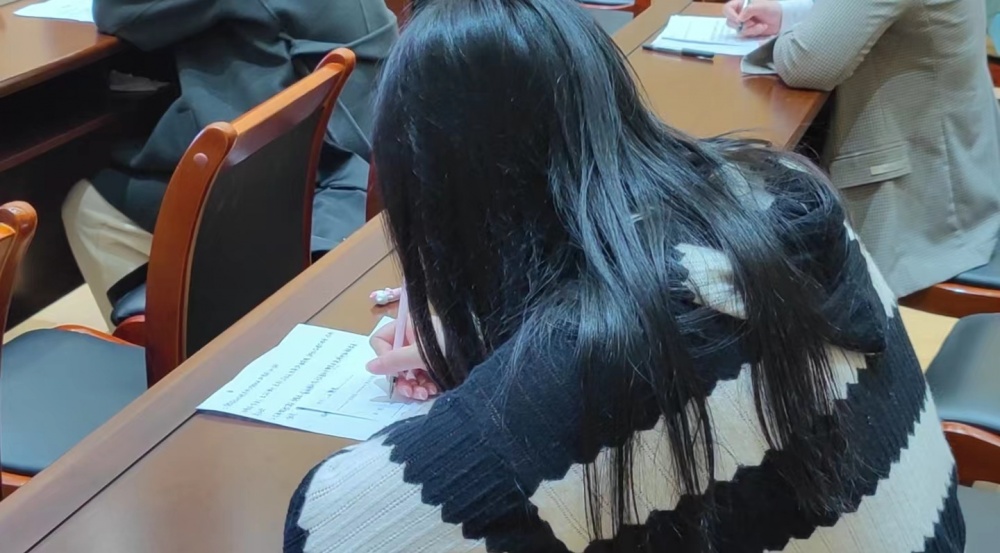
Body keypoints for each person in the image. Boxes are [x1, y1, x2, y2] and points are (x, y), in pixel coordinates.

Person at [284, 0, 965, 551]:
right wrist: (488, 350)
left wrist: (488, 381)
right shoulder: (780, 189)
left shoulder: (596, 369)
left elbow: (326, 527)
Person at [63, 0, 397, 321]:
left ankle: (169, 339)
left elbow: (115, 11)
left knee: (88, 202)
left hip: (319, 196)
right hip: (377, 169)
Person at [724, 0, 1000, 299]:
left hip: (931, 205)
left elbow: (806, 62)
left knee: (736, 232)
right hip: (967, 162)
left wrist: (801, 35)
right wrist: (791, 15)